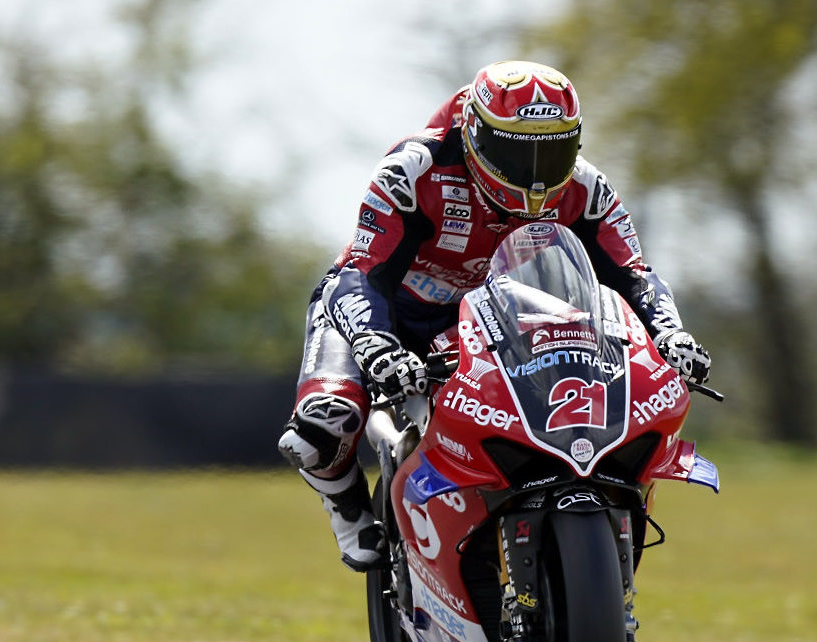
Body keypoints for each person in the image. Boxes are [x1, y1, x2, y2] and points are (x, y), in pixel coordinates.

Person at [277, 60, 712, 571]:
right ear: (476, 135)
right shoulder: (414, 169)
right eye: (516, 151)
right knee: (322, 425)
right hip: (378, 311)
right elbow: (363, 272)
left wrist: (671, 333)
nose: (535, 174)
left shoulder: (586, 188)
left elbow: (633, 273)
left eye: (551, 152)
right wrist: (375, 344)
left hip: (478, 320)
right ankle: (346, 505)